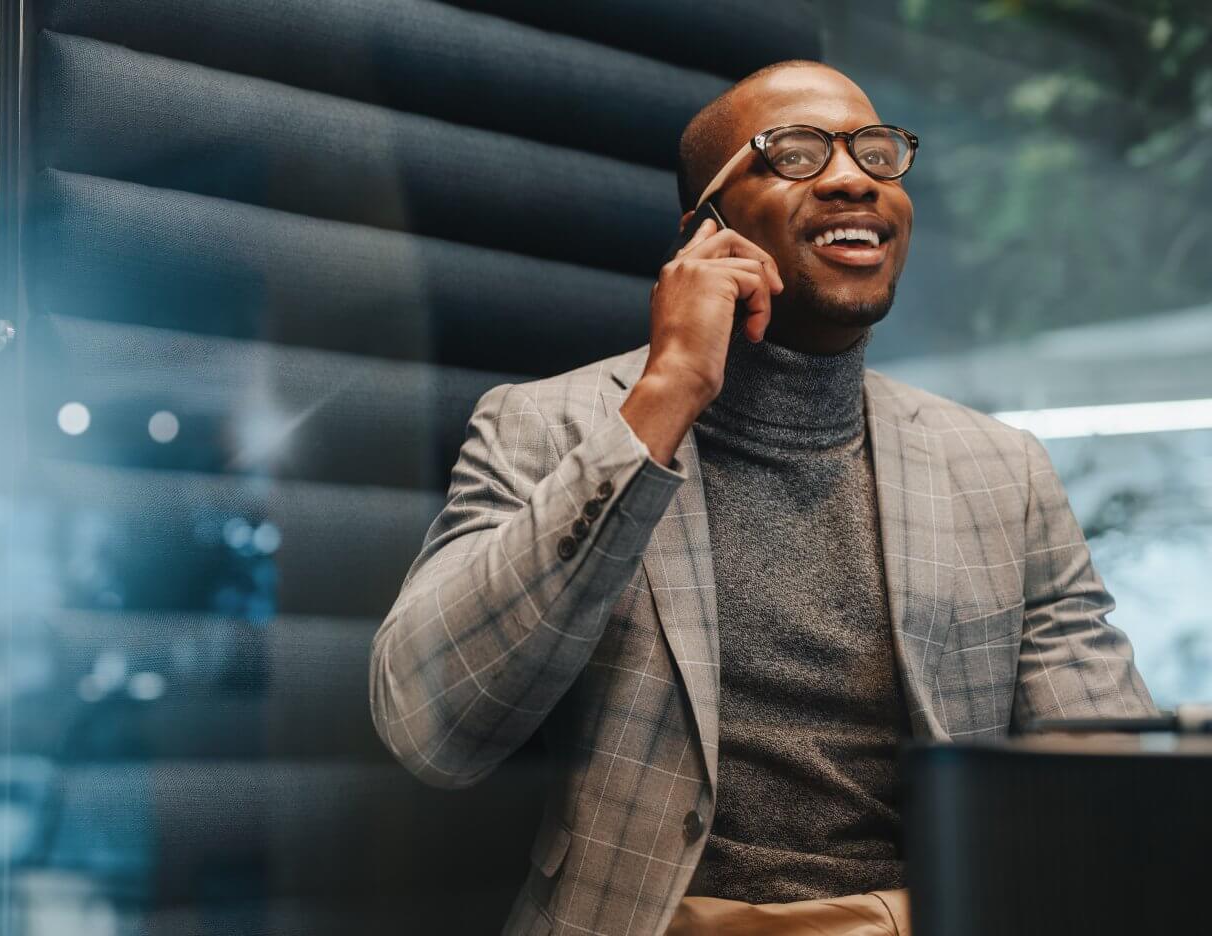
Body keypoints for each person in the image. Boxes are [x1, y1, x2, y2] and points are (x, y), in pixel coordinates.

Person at [367, 60, 1156, 936]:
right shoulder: (539, 425)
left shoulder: (1001, 469)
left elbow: (1109, 788)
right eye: (796, 152)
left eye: (876, 153)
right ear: (706, 228)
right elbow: (433, 727)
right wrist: (664, 396)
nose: (855, 176)